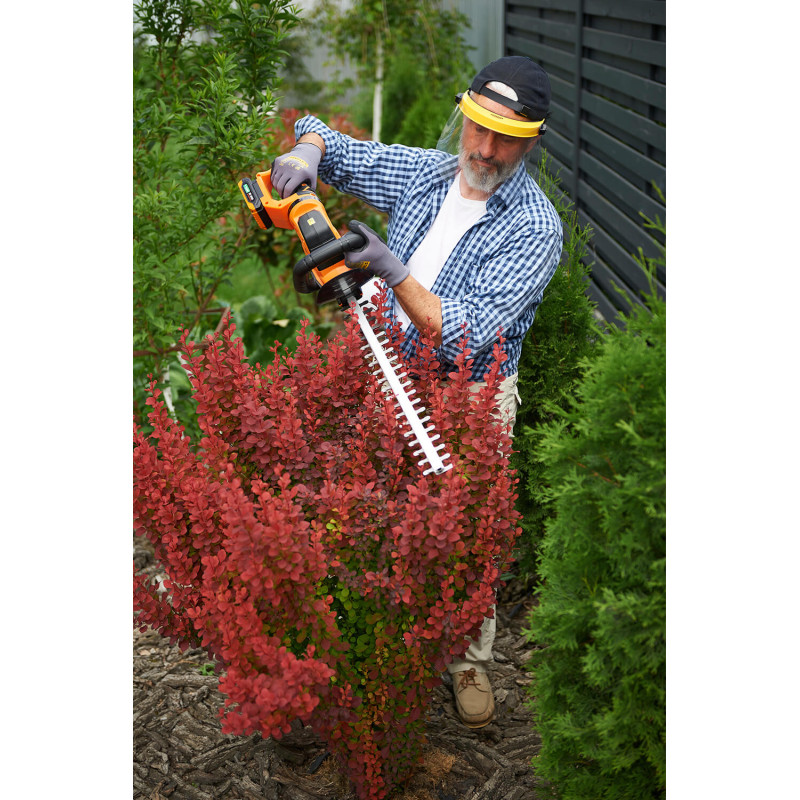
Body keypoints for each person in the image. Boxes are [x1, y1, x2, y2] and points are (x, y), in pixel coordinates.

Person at [270, 56, 563, 728]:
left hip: (470, 396)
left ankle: (469, 662)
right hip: (386, 370)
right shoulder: (427, 173)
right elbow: (329, 139)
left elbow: (468, 334)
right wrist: (307, 153)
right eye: (478, 128)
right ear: (463, 117)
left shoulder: (535, 228)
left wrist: (392, 269)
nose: (484, 150)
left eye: (506, 138)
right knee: (371, 507)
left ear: (530, 143)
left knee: (465, 530)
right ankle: (379, 637)